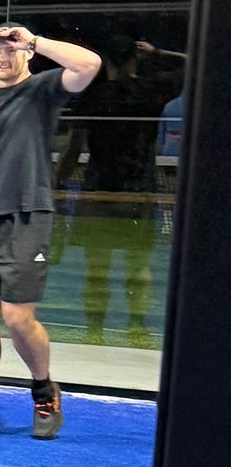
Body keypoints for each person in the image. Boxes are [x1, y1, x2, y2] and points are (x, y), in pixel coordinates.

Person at [0, 22, 100, 438]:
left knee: (17, 316)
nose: (2, 57)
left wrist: (36, 40)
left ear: (26, 54)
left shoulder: (42, 90)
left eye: (11, 49)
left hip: (27, 215)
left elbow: (89, 64)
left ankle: (44, 391)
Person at [51, 37, 185, 346]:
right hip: (140, 191)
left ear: (107, 61)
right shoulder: (151, 90)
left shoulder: (93, 94)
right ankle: (137, 329)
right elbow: (195, 66)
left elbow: (73, 149)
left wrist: (57, 184)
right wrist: (159, 51)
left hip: (98, 190)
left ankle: (94, 332)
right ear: (136, 58)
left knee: (96, 268)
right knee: (139, 267)